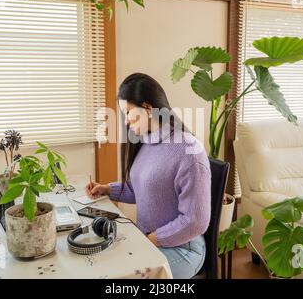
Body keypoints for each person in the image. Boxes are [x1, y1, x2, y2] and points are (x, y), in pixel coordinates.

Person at [85, 73, 211, 279]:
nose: (126, 123)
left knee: (118, 276)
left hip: (182, 249)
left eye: (128, 113)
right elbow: (143, 189)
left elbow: (196, 221)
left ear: (148, 108)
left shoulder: (188, 150)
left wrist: (151, 239)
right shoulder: (147, 141)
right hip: (150, 239)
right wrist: (108, 189)